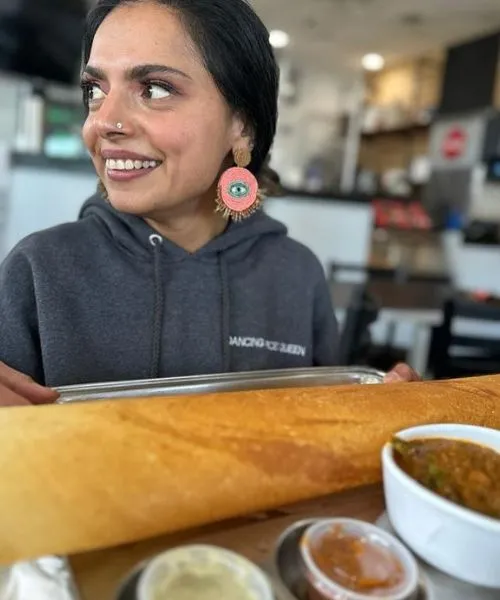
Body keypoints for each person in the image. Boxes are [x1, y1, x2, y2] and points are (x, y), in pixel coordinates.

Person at [0, 0, 419, 407]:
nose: (104, 122)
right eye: (95, 89)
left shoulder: (297, 275)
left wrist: (382, 412)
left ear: (242, 126)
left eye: (155, 88)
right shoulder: (39, 270)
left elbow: (320, 425)